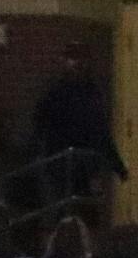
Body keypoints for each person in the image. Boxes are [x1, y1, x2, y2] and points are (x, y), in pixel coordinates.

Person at [30, 41, 127, 184]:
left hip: (85, 163)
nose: (77, 63)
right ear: (64, 61)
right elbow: (39, 126)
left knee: (83, 202)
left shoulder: (92, 92)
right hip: (60, 161)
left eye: (81, 58)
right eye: (73, 58)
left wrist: (117, 165)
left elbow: (101, 131)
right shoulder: (54, 92)